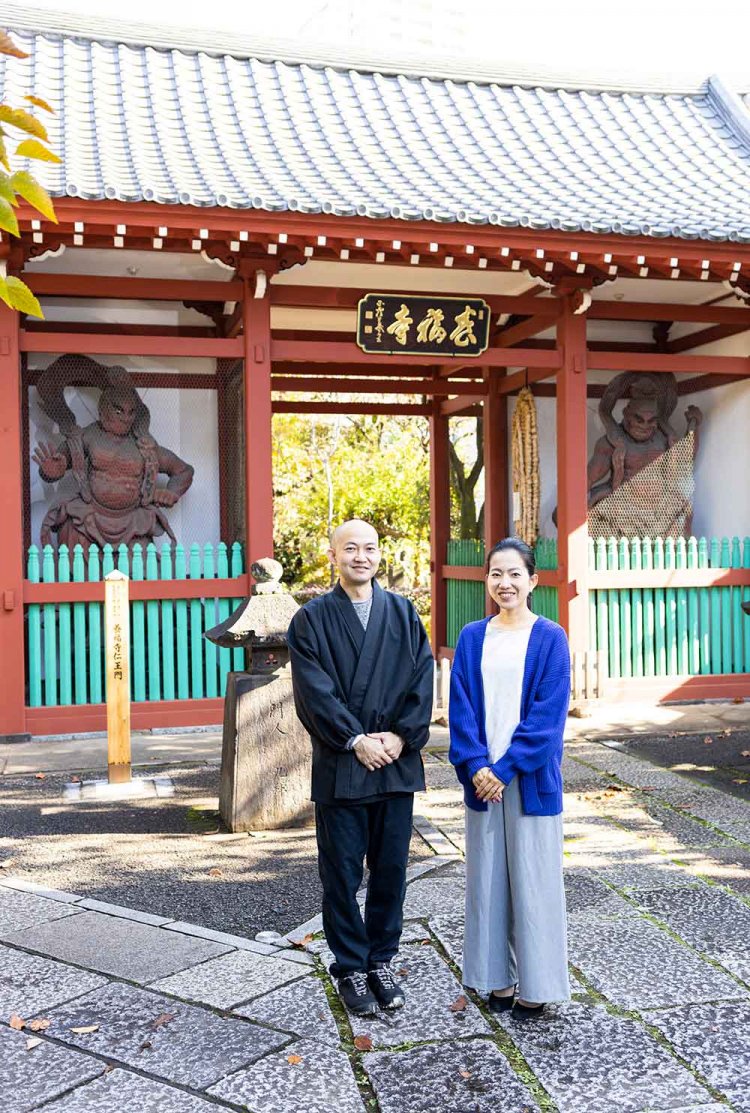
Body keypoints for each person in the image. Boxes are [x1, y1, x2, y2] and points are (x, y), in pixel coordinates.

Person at [287, 519, 434, 1016]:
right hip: (343, 764)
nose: (361, 557)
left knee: (391, 870)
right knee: (342, 873)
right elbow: (313, 692)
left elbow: (422, 678)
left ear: (378, 555)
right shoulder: (311, 620)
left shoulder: (403, 613)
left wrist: (401, 735)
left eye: (369, 548)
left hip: (394, 761)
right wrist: (354, 740)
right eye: (350, 548)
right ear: (333, 556)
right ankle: (350, 965)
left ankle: (381, 960)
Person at [448, 537, 570, 1020]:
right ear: (487, 581)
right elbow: (461, 708)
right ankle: (495, 978)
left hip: (529, 781)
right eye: (496, 574)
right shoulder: (472, 636)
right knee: (487, 883)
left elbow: (547, 719)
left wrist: (503, 770)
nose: (505, 583)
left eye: (515, 574)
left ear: (532, 581)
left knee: (535, 884)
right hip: (483, 782)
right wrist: (477, 766)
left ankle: (537, 986)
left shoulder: (550, 638)